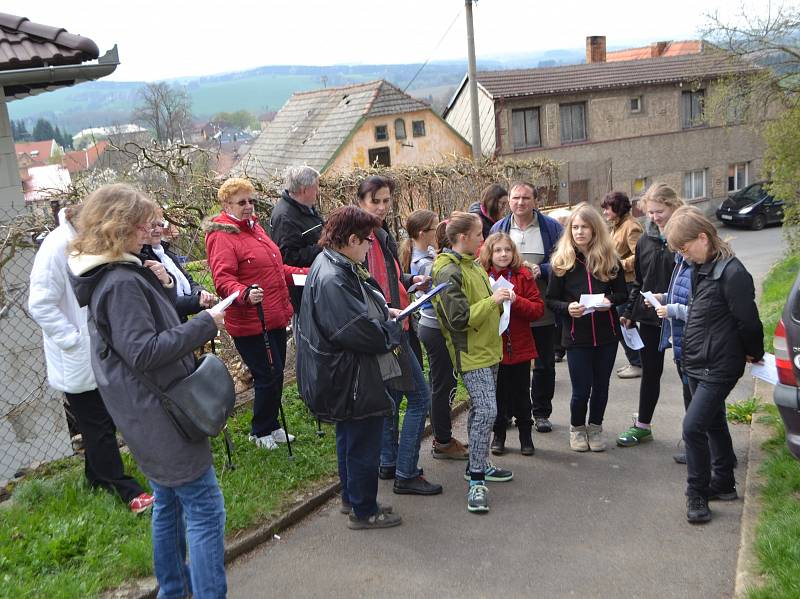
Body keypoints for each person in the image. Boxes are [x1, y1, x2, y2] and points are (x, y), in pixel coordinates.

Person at [67, 184, 227, 598]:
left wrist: (155, 281)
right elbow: (144, 350)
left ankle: (174, 591)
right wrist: (206, 322)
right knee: (206, 512)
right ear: (121, 228)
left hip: (145, 415)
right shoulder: (120, 282)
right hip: (163, 415)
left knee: (168, 506)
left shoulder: (114, 274)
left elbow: (142, 330)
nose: (151, 230)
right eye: (143, 224)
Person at [28, 204, 154, 514]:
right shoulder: (56, 246)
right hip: (78, 358)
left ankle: (95, 478)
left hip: (96, 352)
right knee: (98, 425)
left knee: (100, 422)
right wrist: (73, 341)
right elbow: (40, 304)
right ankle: (126, 490)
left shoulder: (88, 242)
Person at [296, 205, 404, 530]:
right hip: (352, 375)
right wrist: (390, 330)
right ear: (352, 239)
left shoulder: (332, 263)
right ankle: (364, 510)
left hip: (342, 373)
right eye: (368, 240)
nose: (372, 246)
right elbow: (357, 331)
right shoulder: (333, 277)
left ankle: (351, 498)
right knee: (362, 442)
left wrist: (382, 314)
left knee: (349, 437)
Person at [663, 207, 763, 524]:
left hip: (719, 366)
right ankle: (724, 483)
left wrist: (753, 352)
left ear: (703, 238)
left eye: (684, 247)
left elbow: (749, 321)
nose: (683, 255)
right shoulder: (701, 267)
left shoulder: (733, 273)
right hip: (696, 360)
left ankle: (698, 494)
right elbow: (697, 313)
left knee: (693, 428)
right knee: (714, 422)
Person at [355, 176, 442, 496]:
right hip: (390, 330)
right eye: (374, 200)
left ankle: (389, 462)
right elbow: (369, 286)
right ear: (361, 201)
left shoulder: (379, 232)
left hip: (394, 325)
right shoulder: (363, 237)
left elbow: (387, 277)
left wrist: (409, 279)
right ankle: (407, 472)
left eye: (386, 201)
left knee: (391, 399)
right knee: (420, 397)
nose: (381, 206)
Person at [205, 177, 305, 451]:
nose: (249, 206)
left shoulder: (255, 229)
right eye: (242, 202)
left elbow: (277, 269)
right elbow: (223, 279)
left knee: (276, 373)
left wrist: (307, 275)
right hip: (251, 320)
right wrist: (245, 293)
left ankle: (272, 425)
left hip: (273, 314)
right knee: (266, 374)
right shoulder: (222, 235)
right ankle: (259, 431)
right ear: (226, 204)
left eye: (251, 201)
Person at [432, 212, 514, 514]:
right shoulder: (446, 270)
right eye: (480, 234)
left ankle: (480, 463)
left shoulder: (471, 264)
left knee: (482, 411)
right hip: (470, 353)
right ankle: (476, 480)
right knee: (487, 411)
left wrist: (500, 297)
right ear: (463, 237)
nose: (484, 239)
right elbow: (458, 319)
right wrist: (493, 301)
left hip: (488, 348)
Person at [546, 203, 627, 452]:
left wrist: (609, 301)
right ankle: (577, 428)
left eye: (585, 227)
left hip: (607, 334)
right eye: (575, 227)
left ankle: (595, 427)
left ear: (596, 230)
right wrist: (567, 307)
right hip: (575, 335)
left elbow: (623, 293)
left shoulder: (610, 259)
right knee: (581, 390)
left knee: (601, 387)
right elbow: (550, 300)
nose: (579, 232)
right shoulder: (561, 262)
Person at [491, 182, 563, 434]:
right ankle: (510, 412)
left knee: (543, 363)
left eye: (525, 198)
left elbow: (565, 259)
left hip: (540, 308)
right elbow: (489, 260)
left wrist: (541, 270)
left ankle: (541, 412)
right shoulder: (499, 228)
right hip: (508, 316)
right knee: (509, 365)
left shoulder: (551, 228)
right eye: (515, 198)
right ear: (508, 201)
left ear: (535, 200)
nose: (520, 202)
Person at [617, 183, 684, 448]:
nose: (655, 217)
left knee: (688, 374)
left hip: (682, 316)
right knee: (651, 371)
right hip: (650, 315)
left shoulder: (684, 238)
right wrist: (631, 312)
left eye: (659, 211)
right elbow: (640, 281)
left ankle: (697, 435)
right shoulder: (645, 240)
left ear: (673, 205)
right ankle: (643, 426)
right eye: (650, 213)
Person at [400, 211, 469, 460]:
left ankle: (444, 436)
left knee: (440, 382)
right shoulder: (424, 263)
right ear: (422, 234)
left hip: (432, 326)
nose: (437, 233)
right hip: (435, 327)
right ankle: (442, 440)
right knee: (442, 384)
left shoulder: (426, 256)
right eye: (433, 229)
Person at [479, 232, 544, 456]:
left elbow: (537, 310)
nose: (503, 254)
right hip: (493, 349)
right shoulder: (482, 276)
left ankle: (526, 435)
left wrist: (517, 301)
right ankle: (499, 436)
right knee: (498, 395)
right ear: (489, 253)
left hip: (520, 347)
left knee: (522, 396)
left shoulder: (523, 275)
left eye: (507, 249)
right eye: (497, 250)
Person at [140, 209, 216, 321]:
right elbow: (165, 303)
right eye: (152, 225)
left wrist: (200, 292)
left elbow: (188, 279)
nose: (157, 229)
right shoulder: (145, 261)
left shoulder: (167, 255)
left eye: (160, 225)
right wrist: (198, 301)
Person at [270, 166, 324, 313]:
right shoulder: (285, 218)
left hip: (315, 284)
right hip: (303, 294)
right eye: (315, 187)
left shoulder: (304, 207)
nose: (318, 191)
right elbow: (288, 258)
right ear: (304, 189)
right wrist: (323, 247)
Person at [601, 191, 644, 378]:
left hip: (628, 283)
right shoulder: (617, 225)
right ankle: (637, 361)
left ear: (617, 208)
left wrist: (620, 265)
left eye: (607, 209)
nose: (604, 213)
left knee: (625, 323)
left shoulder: (631, 227)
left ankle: (638, 363)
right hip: (620, 281)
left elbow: (641, 255)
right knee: (623, 323)